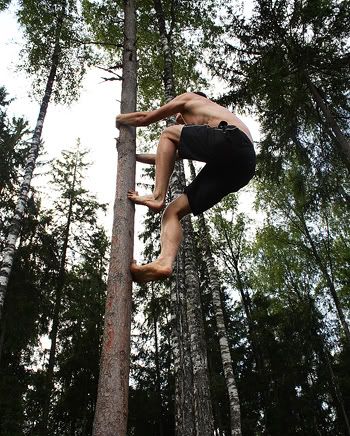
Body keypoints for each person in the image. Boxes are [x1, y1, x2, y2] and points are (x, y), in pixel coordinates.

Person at [115, 91, 256, 283]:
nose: (178, 120)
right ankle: (164, 263)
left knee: (167, 133)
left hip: (233, 140)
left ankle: (157, 196)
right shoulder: (209, 124)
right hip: (241, 168)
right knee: (172, 212)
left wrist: (119, 119)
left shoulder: (190, 98)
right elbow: (165, 156)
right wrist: (132, 154)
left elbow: (145, 118)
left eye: (178, 118)